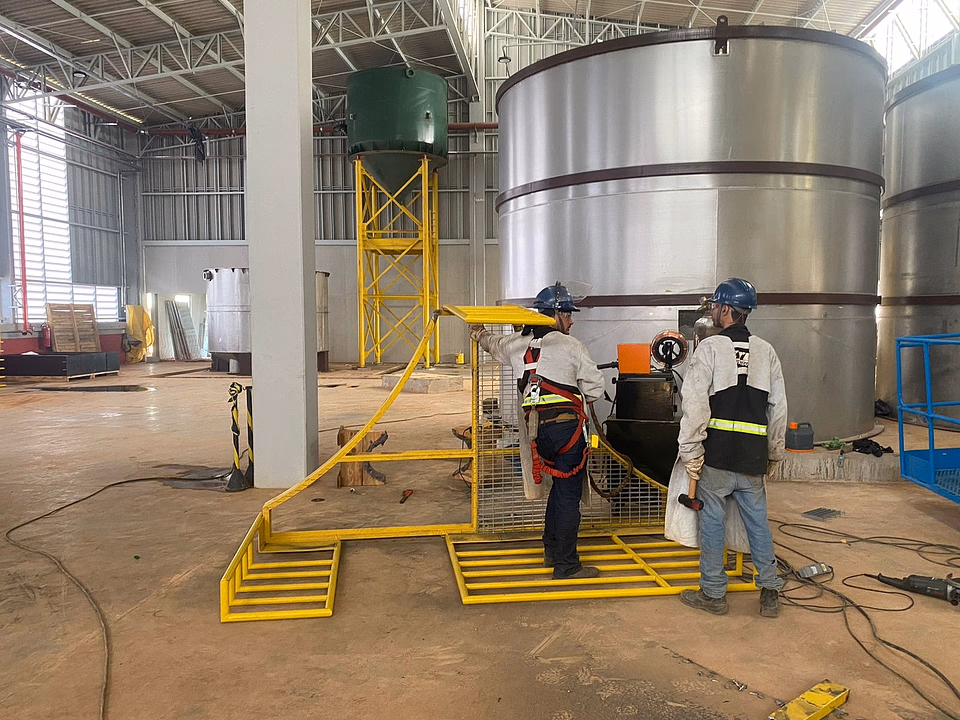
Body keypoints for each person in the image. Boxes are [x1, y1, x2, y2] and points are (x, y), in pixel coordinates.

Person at [469, 283, 605, 580]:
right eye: (567, 314)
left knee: (558, 491)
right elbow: (596, 387)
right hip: (568, 432)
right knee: (568, 496)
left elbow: (492, 343)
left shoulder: (516, 345)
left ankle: (551, 551)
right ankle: (566, 565)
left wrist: (479, 333)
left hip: (537, 434)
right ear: (554, 314)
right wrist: (575, 394)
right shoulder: (571, 346)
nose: (571, 320)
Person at [676, 278, 788, 618]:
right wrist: (774, 452)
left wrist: (690, 451)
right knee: (758, 522)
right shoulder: (767, 351)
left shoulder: (709, 349)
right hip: (752, 456)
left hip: (719, 457)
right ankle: (769, 592)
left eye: (715, 306)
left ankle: (713, 595)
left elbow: (694, 404)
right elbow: (778, 408)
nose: (712, 311)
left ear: (726, 310)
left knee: (712, 522)